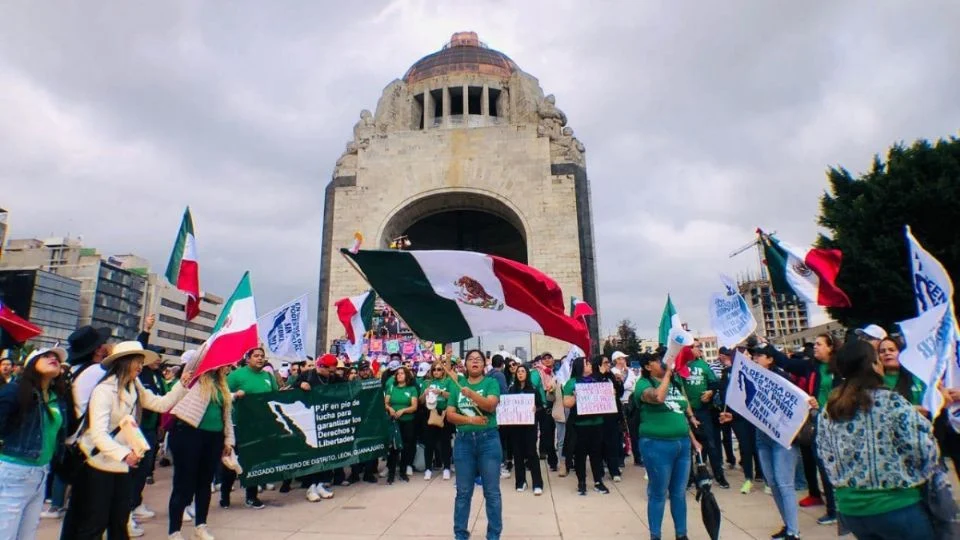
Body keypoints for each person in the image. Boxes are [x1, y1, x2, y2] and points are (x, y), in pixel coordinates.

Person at [65, 341, 189, 540]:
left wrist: (182, 385)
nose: (140, 366)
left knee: (119, 521)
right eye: (136, 361)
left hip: (122, 466)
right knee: (95, 523)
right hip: (97, 465)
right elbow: (98, 434)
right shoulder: (104, 390)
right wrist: (124, 455)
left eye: (141, 362)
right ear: (123, 362)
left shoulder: (134, 385)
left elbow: (160, 404)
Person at [816, 340, 939, 540]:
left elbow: (824, 454)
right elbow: (924, 448)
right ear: (873, 365)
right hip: (897, 505)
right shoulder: (890, 401)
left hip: (852, 510)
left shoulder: (830, 409)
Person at [0, 347, 69, 540]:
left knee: (26, 534)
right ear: (32, 363)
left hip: (40, 473)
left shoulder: (56, 397)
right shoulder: (15, 391)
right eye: (46, 356)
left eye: (56, 358)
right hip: (13, 470)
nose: (53, 359)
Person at [750, 344, 816, 540]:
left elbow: (797, 402)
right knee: (773, 483)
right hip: (762, 436)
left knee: (784, 483)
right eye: (754, 356)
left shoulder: (782, 379)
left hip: (782, 438)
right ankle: (788, 525)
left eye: (759, 355)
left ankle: (793, 532)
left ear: (770, 359)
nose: (755, 359)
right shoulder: (753, 378)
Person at [167, 356, 235, 540]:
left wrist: (228, 440)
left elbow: (226, 415)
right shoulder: (196, 378)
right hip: (189, 434)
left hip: (214, 437)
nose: (226, 365)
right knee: (184, 483)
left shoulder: (222, 384)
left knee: (205, 483)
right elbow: (192, 364)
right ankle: (174, 531)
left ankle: (201, 526)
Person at [635, 352, 701, 540]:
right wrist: (668, 375)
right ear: (648, 367)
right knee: (658, 493)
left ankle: (681, 533)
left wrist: (693, 439)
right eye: (658, 361)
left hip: (682, 444)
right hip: (656, 445)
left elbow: (680, 410)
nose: (664, 363)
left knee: (679, 493)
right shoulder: (643, 385)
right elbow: (658, 397)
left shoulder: (674, 383)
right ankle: (655, 535)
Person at [445, 349, 502, 540]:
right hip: (463, 442)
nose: (475, 362)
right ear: (466, 364)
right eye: (471, 359)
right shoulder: (457, 385)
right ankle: (460, 534)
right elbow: (450, 415)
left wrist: (472, 395)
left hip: (488, 441)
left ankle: (493, 535)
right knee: (463, 492)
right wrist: (470, 420)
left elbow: (490, 405)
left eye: (478, 359)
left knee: (491, 492)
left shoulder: (491, 383)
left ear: (484, 364)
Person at [222, 347, 279, 509]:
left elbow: (275, 397)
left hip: (259, 426)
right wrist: (235, 396)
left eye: (262, 356)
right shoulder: (236, 376)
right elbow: (222, 395)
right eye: (256, 356)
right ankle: (225, 494)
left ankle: (251, 497)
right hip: (238, 425)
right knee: (232, 463)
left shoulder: (268, 376)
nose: (260, 358)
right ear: (248, 359)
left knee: (255, 462)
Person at [681, 341, 729, 489]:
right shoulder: (680, 366)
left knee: (711, 444)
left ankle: (719, 476)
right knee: (687, 446)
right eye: (696, 346)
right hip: (685, 412)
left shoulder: (703, 365)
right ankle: (689, 478)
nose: (699, 349)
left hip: (703, 410)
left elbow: (715, 383)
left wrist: (711, 392)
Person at [562, 357, 609, 495]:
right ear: (580, 367)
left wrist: (609, 393)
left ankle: (598, 481)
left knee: (597, 454)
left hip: (597, 423)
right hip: (579, 425)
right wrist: (576, 397)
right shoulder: (572, 382)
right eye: (586, 363)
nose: (590, 365)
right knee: (580, 455)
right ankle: (581, 482)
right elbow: (566, 403)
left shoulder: (597, 380)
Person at [507, 364, 544, 494]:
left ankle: (537, 483)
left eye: (523, 371)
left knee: (532, 453)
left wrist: (535, 409)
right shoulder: (512, 389)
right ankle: (521, 482)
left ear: (527, 373)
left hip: (530, 427)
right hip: (516, 427)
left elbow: (541, 406)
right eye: (518, 372)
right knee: (518, 454)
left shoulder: (533, 389)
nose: (520, 374)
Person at [592, 355, 624, 482]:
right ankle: (599, 470)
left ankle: (614, 470)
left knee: (613, 444)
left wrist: (619, 382)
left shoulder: (611, 376)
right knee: (599, 444)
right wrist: (600, 374)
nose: (608, 365)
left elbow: (619, 393)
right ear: (599, 365)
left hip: (612, 415)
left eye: (608, 362)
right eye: (605, 363)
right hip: (599, 416)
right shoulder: (593, 377)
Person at [384, 366, 419, 484]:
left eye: (402, 373)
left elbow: (414, 406)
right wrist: (390, 409)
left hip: (408, 421)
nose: (399, 375)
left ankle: (403, 472)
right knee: (393, 448)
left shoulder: (412, 389)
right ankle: (391, 473)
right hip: (394, 422)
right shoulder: (392, 387)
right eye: (398, 373)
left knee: (406, 447)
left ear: (407, 376)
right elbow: (385, 403)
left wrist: (403, 410)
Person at [421, 363, 454, 481]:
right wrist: (424, 394)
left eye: (439, 369)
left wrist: (440, 392)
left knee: (445, 442)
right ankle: (428, 468)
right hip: (430, 414)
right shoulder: (426, 383)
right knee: (429, 443)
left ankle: (446, 467)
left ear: (443, 371)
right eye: (434, 369)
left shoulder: (448, 382)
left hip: (444, 414)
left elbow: (453, 396)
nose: (436, 371)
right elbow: (420, 401)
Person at [530, 353, 558, 471]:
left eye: (549, 358)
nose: (547, 360)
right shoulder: (537, 372)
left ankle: (550, 459)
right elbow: (532, 387)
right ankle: (549, 461)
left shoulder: (552, 373)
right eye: (544, 358)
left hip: (551, 406)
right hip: (541, 408)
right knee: (544, 435)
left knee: (549, 434)